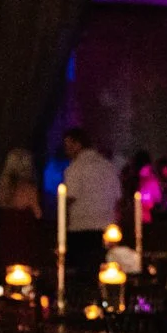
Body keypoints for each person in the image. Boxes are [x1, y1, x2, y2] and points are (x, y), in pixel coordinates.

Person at [61, 128, 120, 301]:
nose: (66, 150)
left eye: (68, 145)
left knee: (83, 277)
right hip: (106, 229)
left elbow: (69, 199)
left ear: (78, 144)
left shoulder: (75, 169)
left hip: (82, 229)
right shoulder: (108, 166)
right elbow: (117, 198)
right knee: (103, 274)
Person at [0, 149, 45, 271]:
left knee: (9, 264)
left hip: (7, 230)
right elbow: (37, 213)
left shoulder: (3, 188)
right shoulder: (28, 188)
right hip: (24, 231)